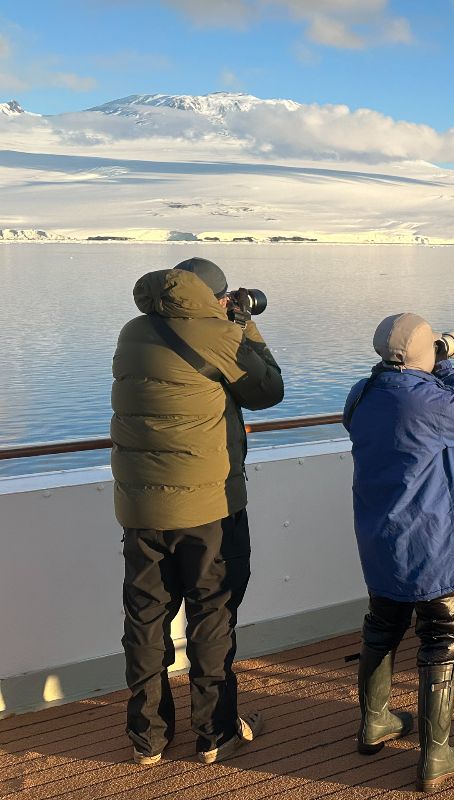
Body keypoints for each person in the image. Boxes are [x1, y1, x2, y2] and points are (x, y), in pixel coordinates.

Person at [111, 257, 284, 765]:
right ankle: (215, 734)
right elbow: (268, 390)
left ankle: (148, 739)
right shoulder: (220, 336)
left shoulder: (133, 330)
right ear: (214, 297)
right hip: (209, 508)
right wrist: (245, 323)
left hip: (140, 507)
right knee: (212, 614)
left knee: (145, 618)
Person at [343, 313, 454, 792]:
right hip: (432, 540)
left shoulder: (361, 395)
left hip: (379, 534)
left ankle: (374, 722)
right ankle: (436, 755)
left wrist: (428, 364)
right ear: (422, 355)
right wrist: (447, 364)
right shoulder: (425, 399)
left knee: (382, 626)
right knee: (440, 638)